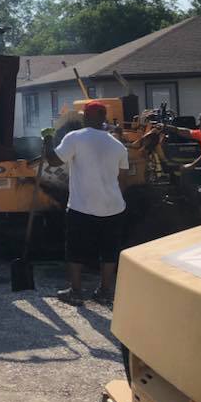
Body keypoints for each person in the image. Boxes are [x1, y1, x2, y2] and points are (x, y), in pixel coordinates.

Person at [43, 102, 128, 306]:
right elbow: (123, 180)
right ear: (104, 118)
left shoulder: (75, 137)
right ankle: (105, 292)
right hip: (113, 208)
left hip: (82, 207)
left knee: (75, 250)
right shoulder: (118, 145)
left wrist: (47, 139)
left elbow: (54, 161)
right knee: (109, 251)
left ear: (85, 117)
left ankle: (76, 291)